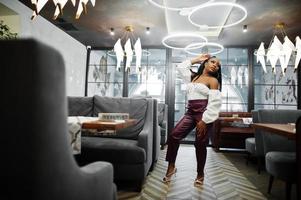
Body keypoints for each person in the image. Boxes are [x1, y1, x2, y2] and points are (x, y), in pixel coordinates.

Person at [163, 54, 222, 187]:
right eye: (213, 62)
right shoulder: (193, 77)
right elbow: (180, 67)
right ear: (205, 63)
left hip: (203, 114)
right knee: (174, 136)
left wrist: (205, 120)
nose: (215, 65)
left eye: (218, 65)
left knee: (200, 144)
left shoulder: (213, 81)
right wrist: (197, 59)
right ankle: (171, 166)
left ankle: (200, 174)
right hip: (190, 112)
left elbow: (215, 103)